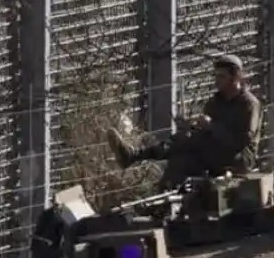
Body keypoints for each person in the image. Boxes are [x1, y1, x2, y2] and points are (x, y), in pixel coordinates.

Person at [107, 54, 263, 191]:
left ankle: (135, 155)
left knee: (189, 140)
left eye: (222, 76)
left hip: (239, 158)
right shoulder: (216, 102)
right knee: (179, 162)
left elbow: (242, 141)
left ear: (235, 77)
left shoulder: (249, 104)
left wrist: (211, 128)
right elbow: (205, 134)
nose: (217, 81)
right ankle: (162, 200)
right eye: (216, 76)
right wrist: (191, 127)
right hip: (215, 152)